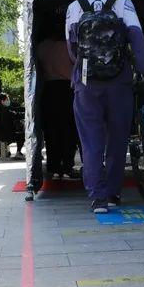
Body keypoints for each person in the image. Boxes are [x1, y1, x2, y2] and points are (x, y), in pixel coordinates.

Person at [66, 0, 144, 214]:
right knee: (118, 138)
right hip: (119, 82)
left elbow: (72, 50)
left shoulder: (75, 7)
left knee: (91, 140)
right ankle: (114, 193)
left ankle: (98, 198)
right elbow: (137, 40)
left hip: (86, 83)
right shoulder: (122, 2)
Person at [36, 22, 79, 179]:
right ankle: (67, 165)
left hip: (49, 89)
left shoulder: (42, 47)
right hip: (68, 89)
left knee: (51, 131)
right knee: (69, 130)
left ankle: (53, 166)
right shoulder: (69, 46)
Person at [0, 93, 25, 160]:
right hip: (4, 135)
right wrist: (26, 114)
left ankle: (2, 152)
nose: (8, 101)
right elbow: (16, 115)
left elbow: (15, 109)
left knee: (16, 132)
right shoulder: (4, 110)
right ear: (2, 101)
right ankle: (18, 152)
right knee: (22, 135)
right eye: (7, 100)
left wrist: (25, 109)